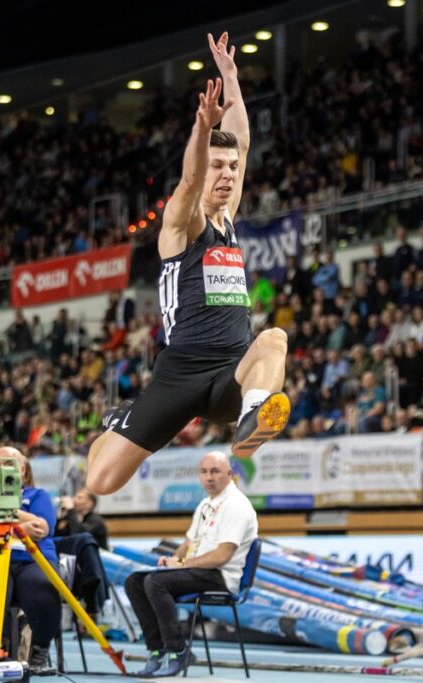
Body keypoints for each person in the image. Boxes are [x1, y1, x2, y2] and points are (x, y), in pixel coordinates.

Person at [87, 32, 290, 496]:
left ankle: (254, 416)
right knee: (101, 483)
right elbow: (191, 176)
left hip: (229, 373)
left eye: (233, 168)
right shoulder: (182, 223)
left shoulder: (228, 216)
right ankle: (121, 419)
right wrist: (202, 130)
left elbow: (241, 138)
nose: (227, 175)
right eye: (218, 166)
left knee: (274, 338)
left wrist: (232, 79)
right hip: (180, 373)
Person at [125, 450, 258, 677]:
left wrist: (183, 564)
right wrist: (173, 560)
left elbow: (222, 555)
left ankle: (178, 652)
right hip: (198, 570)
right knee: (134, 582)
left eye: (215, 471)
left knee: (155, 583)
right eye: (204, 472)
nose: (209, 477)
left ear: (229, 473)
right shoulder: (206, 505)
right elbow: (188, 543)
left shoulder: (236, 506)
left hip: (220, 576)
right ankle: (157, 651)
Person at [0, 447, 60, 675]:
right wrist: (21, 526)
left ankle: (39, 649)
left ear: (22, 470)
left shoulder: (38, 496)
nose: (3, 468)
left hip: (31, 560)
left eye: (10, 463)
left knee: (41, 584)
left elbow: (42, 528)